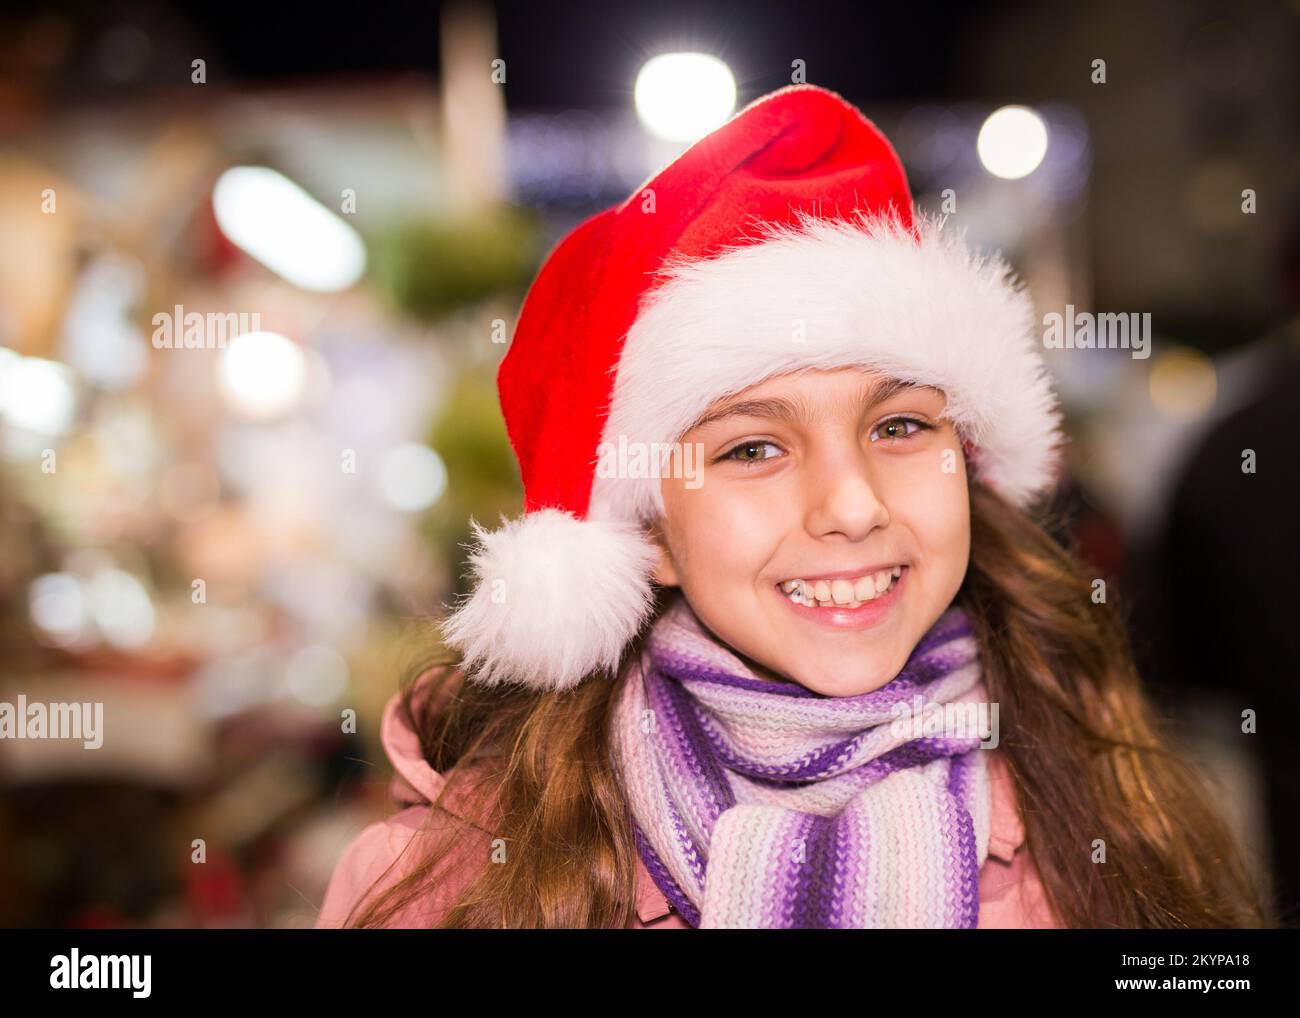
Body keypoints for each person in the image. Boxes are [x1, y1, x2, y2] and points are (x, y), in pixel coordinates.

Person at [316, 84, 1273, 929]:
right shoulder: (452, 890)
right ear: (646, 531)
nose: (853, 506)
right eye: (753, 448)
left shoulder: (1114, 813)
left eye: (900, 427)